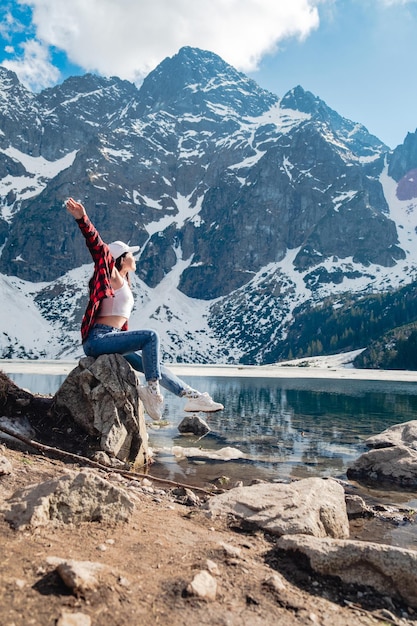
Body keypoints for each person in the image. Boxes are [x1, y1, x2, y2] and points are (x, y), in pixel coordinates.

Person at [65, 197, 224, 420]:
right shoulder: (111, 276)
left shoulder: (124, 282)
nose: (134, 256)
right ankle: (152, 392)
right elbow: (99, 249)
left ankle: (192, 396)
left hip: (112, 338)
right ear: (120, 259)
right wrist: (83, 219)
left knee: (154, 363)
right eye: (130, 253)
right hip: (98, 339)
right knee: (150, 336)